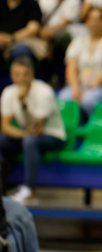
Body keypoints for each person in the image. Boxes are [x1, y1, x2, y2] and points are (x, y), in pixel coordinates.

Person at [0, 57, 66, 203]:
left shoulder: (44, 91)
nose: (21, 78)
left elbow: (36, 129)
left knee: (30, 141)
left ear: (32, 75)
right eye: (17, 74)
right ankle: (2, 188)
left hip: (53, 136)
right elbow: (5, 126)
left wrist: (23, 103)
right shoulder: (8, 92)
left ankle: (29, 189)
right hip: (26, 135)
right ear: (11, 76)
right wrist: (23, 134)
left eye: (25, 74)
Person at [58, 7, 102, 116]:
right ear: (86, 22)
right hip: (81, 86)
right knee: (63, 97)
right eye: (91, 20)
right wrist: (75, 88)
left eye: (98, 20)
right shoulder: (79, 41)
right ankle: (72, 129)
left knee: (89, 99)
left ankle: (95, 129)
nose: (95, 23)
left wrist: (89, 89)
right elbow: (71, 67)